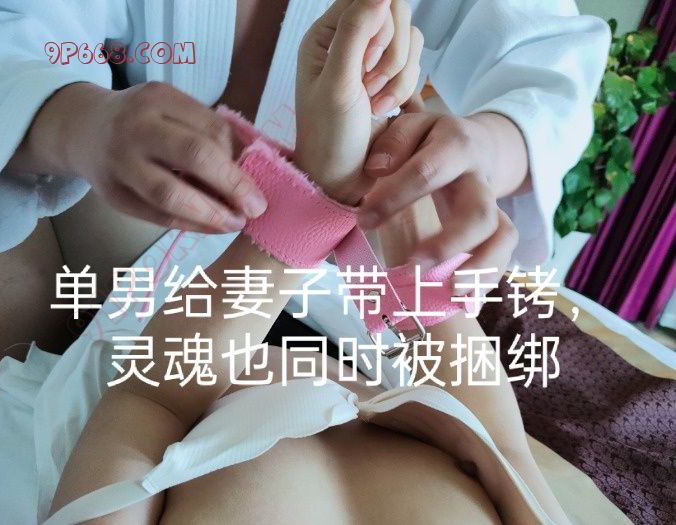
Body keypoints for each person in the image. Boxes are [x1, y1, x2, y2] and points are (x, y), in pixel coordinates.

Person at [47, 2, 569, 523]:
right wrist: (412, 248)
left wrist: (312, 206)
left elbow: (146, 405)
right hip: (378, 353)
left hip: (190, 341)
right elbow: (502, 447)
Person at [0, 1, 609, 386]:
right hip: (138, 198)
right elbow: (3, 31)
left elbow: (548, 59)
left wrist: (488, 144)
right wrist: (76, 121)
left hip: (321, 260)